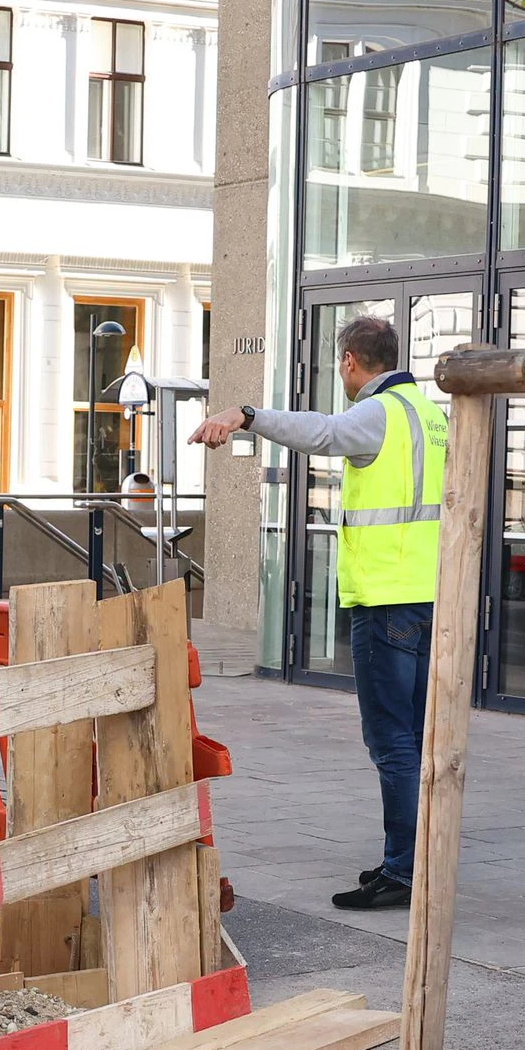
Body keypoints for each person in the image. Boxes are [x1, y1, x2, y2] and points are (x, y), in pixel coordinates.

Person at [190, 315, 444, 912]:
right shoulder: (430, 415)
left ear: (351, 361)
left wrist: (246, 415)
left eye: (341, 366)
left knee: (393, 743)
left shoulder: (380, 412)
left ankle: (405, 872)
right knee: (416, 737)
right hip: (426, 596)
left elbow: (325, 433)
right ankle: (420, 862)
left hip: (385, 600)